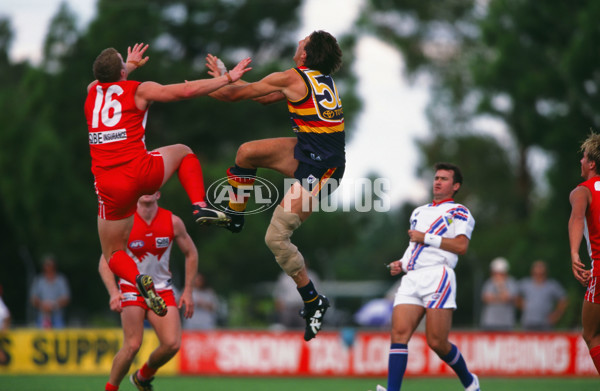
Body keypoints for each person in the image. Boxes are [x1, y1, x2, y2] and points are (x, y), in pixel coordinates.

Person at [85, 42, 251, 317]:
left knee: (113, 253)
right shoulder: (139, 89)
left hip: (109, 186)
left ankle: (138, 280)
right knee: (184, 153)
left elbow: (103, 79)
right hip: (141, 172)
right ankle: (199, 205)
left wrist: (127, 65)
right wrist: (227, 78)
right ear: (123, 73)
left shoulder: (91, 93)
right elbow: (185, 90)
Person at [204, 30, 345, 341]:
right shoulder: (312, 78)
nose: (297, 41)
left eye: (303, 41)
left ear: (305, 54)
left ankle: (313, 299)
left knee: (276, 237)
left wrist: (197, 87)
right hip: (308, 151)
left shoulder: (293, 77)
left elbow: (234, 95)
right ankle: (236, 216)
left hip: (324, 168)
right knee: (246, 153)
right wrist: (226, 77)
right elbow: (264, 96)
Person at [373, 163, 479, 391]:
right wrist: (401, 264)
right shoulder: (418, 212)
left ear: (455, 185)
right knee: (399, 334)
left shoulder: (459, 211)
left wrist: (426, 237)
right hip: (412, 277)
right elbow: (413, 246)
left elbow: (461, 246)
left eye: (444, 178)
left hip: (438, 275)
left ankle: (470, 381)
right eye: (436, 178)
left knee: (437, 342)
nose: (438, 182)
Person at [98, 191, 198, 391]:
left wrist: (188, 290)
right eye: (142, 188)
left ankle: (142, 377)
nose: (147, 192)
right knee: (133, 345)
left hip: (161, 289)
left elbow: (191, 253)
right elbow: (105, 261)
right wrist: (113, 292)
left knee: (172, 344)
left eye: (151, 187)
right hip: (131, 288)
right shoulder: (124, 222)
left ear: (159, 193)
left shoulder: (173, 221)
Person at [569, 132, 600, 374]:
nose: (580, 161)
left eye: (584, 157)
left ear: (591, 163)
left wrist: (574, 253)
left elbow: (577, 218)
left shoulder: (582, 191)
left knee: (590, 334)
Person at [517, 260, 568, 331]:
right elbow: (516, 296)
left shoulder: (552, 285)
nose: (539, 273)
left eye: (541, 270)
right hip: (528, 322)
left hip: (545, 323)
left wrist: (556, 315)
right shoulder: (525, 284)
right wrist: (522, 305)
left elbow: (563, 300)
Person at [30, 255, 70, 328]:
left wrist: (53, 305)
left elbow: (66, 298)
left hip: (58, 317)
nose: (48, 267)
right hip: (42, 318)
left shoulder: (61, 280)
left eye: (50, 265)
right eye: (46, 265)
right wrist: (43, 305)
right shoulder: (39, 281)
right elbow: (33, 298)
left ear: (54, 266)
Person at [480, 257, 518, 331]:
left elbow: (507, 298)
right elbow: (486, 299)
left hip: (506, 323)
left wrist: (500, 286)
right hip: (489, 322)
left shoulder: (511, 283)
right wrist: (500, 297)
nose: (497, 275)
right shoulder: (489, 283)